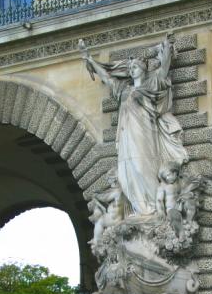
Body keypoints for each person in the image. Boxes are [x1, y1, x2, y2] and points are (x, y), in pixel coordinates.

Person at [80, 34, 188, 216]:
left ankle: (153, 210)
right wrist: (89, 58)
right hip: (126, 137)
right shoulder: (124, 89)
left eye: (135, 66)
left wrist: (166, 48)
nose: (132, 69)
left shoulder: (152, 83)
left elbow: (164, 69)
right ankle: (139, 211)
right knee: (125, 174)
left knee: (141, 168)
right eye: (130, 67)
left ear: (144, 69)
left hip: (145, 135)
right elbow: (106, 78)